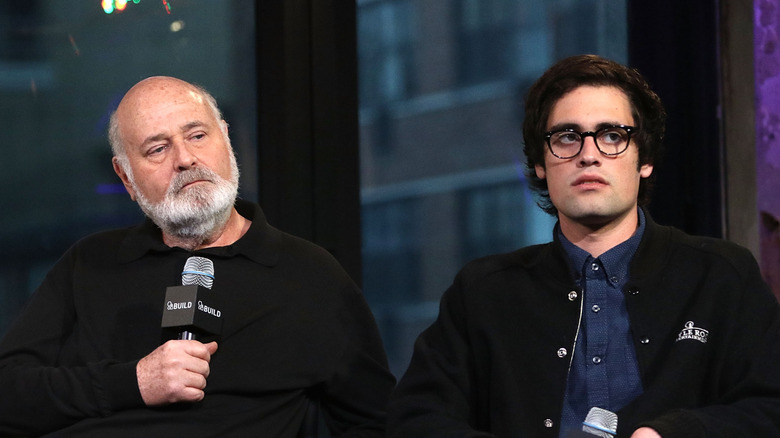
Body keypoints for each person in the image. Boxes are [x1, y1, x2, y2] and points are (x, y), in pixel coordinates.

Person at [387, 54, 780, 438]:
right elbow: (417, 420)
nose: (588, 155)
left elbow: (770, 407)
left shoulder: (720, 276)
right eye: (567, 137)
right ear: (541, 163)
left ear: (645, 159)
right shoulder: (483, 292)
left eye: (612, 136)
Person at [0, 76, 395, 437]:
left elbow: (375, 420)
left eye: (198, 135)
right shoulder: (88, 263)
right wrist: (135, 382)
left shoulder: (309, 274)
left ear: (226, 138)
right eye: (157, 148)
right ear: (126, 178)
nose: (185, 159)